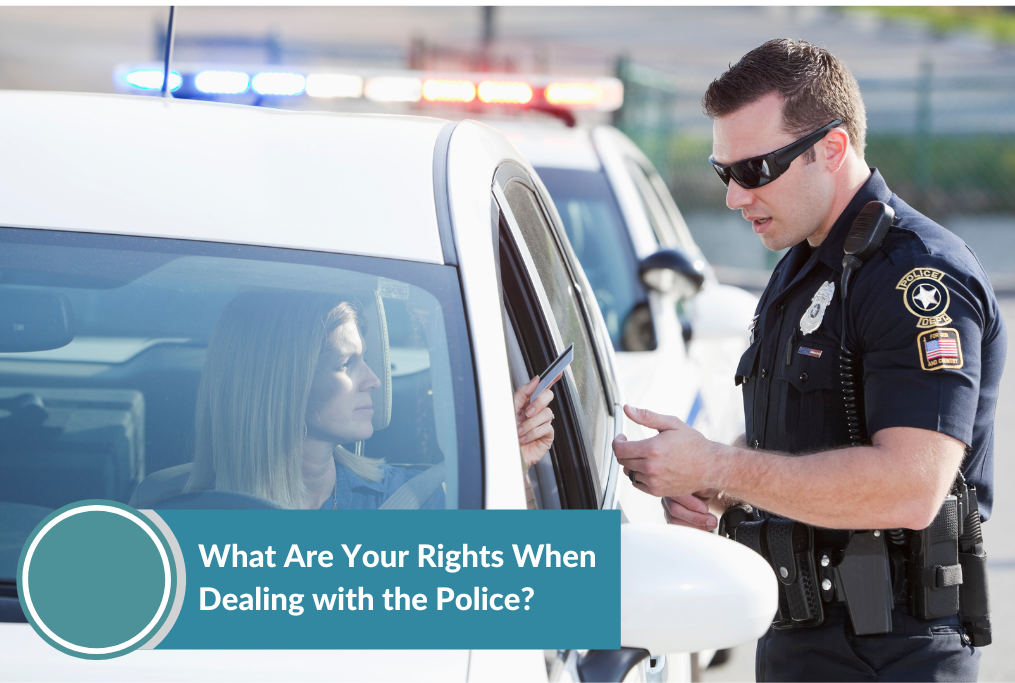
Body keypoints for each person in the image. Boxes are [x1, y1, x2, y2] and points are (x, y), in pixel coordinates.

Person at [612, 39, 1006, 682]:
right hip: (800, 639)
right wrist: (716, 486)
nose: (737, 196)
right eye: (724, 173)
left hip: (889, 655)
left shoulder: (916, 276)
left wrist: (722, 465)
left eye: (756, 169)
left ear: (833, 147)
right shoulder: (804, 260)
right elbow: (797, 437)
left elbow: (911, 488)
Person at [187, 290, 556, 509]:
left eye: (365, 359)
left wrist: (509, 468)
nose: (374, 380)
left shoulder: (412, 502)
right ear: (281, 385)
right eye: (347, 364)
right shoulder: (172, 522)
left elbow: (524, 593)